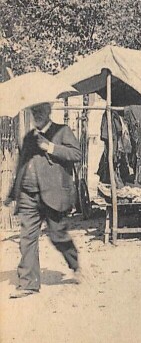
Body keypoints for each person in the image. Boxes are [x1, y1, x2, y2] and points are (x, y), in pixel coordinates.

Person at [5, 103, 81, 298]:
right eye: (33, 111)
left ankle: (75, 263)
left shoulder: (62, 131)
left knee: (58, 235)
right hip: (29, 196)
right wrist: (12, 194)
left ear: (49, 111)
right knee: (27, 238)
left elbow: (76, 154)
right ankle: (28, 283)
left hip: (52, 194)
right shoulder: (29, 137)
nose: (36, 115)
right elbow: (21, 165)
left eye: (40, 111)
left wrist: (51, 147)